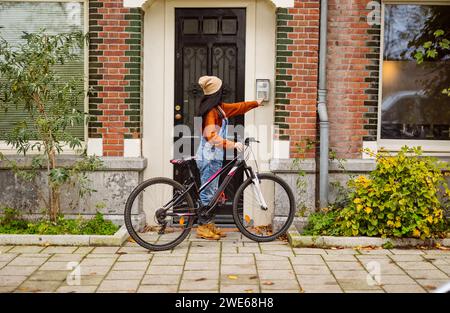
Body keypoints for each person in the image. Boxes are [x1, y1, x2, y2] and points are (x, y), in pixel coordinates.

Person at [195, 75, 263, 240]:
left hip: (214, 156)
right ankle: (202, 227)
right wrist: (232, 144)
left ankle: (209, 225)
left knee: (213, 192)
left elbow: (238, 107)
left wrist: (256, 103)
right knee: (207, 192)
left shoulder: (219, 109)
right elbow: (211, 137)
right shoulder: (211, 112)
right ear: (217, 92)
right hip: (209, 156)